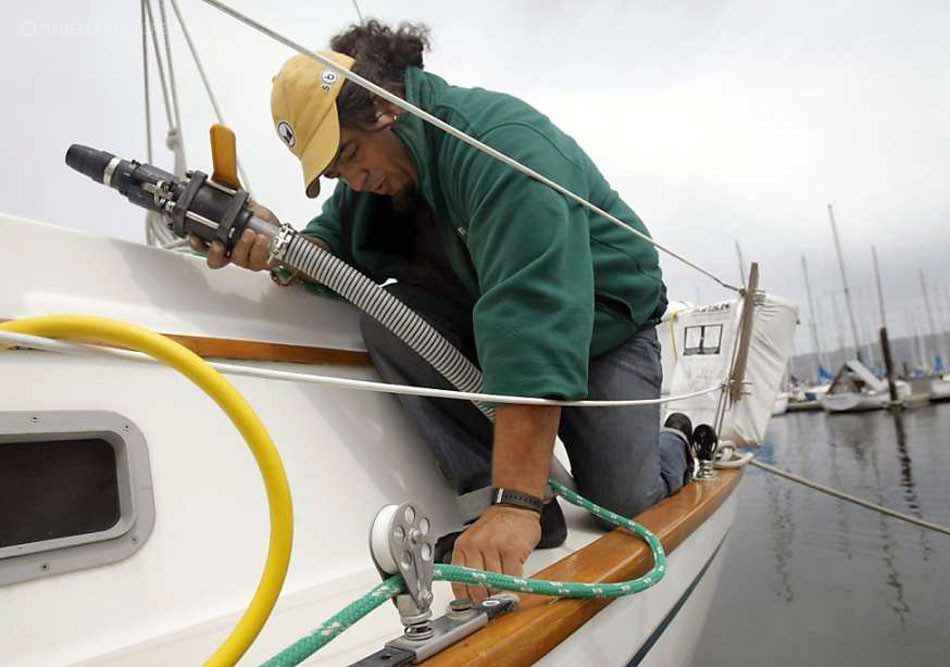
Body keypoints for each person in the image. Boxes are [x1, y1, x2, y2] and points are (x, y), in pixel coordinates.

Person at [191, 20, 692, 603]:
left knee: (624, 503)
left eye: (350, 155)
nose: (353, 180)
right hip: (502, 325)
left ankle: (675, 443)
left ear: (383, 107)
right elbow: (330, 253)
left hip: (607, 325)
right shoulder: (372, 179)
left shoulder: (499, 144)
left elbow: (533, 317)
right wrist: (272, 247)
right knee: (387, 312)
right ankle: (506, 500)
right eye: (334, 172)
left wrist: (517, 504)